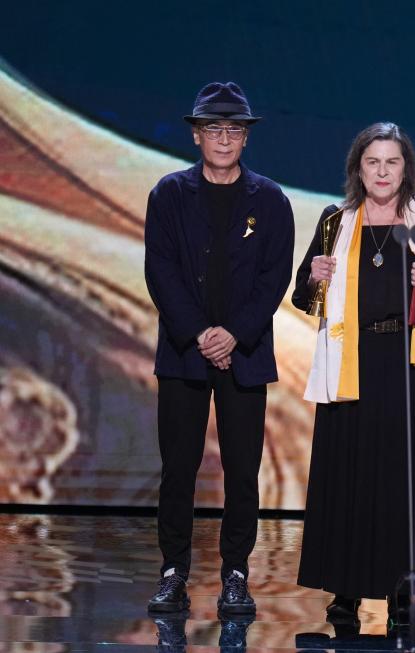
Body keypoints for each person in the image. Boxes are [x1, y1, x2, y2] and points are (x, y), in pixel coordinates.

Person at [293, 122, 415, 627]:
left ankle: (402, 590)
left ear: (406, 169)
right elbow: (303, 295)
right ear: (358, 169)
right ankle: (345, 590)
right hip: (347, 358)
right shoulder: (336, 221)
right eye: (372, 162)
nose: (382, 172)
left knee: (402, 478)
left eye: (392, 162)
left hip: (404, 364)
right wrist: (313, 277)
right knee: (345, 475)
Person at [144, 82, 295, 615]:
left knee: (243, 471)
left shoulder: (271, 200)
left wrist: (233, 334)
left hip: (245, 354)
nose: (224, 139)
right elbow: (160, 272)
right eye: (214, 129)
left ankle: (235, 573)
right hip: (183, 353)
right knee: (178, 469)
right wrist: (201, 335)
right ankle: (173, 572)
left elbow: (275, 277)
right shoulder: (168, 195)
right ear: (196, 135)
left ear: (246, 137)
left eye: (234, 130)